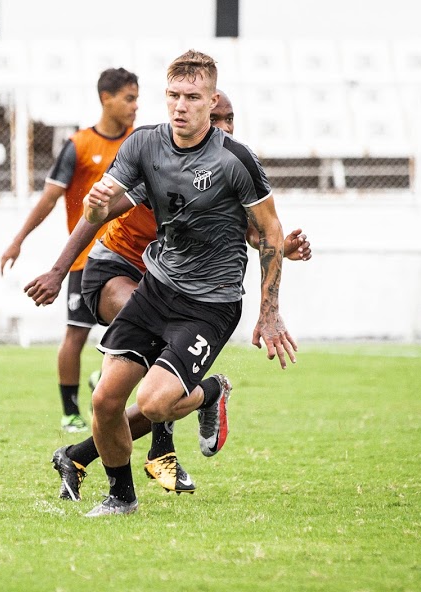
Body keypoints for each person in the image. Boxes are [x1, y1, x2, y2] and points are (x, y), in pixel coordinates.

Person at [24, 90, 310, 500]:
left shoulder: (228, 163)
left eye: (231, 119)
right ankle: (163, 447)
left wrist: (284, 249)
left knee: (157, 391)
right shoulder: (161, 158)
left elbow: (252, 232)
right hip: (117, 266)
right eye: (219, 117)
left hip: (168, 281)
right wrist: (57, 270)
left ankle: (81, 455)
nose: (225, 127)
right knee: (148, 373)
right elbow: (100, 214)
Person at [81, 49, 297, 517]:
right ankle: (121, 497)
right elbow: (100, 209)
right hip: (157, 286)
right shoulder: (143, 144)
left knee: (155, 404)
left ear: (211, 99)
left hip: (211, 303)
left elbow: (270, 232)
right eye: (174, 95)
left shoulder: (236, 160)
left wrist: (270, 310)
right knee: (104, 399)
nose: (181, 106)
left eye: (193, 97)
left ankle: (211, 391)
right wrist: (94, 206)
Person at [0, 68, 140, 433]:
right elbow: (49, 198)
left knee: (138, 327)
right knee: (76, 334)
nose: (135, 106)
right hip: (86, 259)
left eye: (138, 98)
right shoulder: (78, 145)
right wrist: (19, 239)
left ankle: (105, 377)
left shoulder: (140, 145)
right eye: (129, 98)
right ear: (105, 99)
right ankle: (70, 411)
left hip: (132, 256)